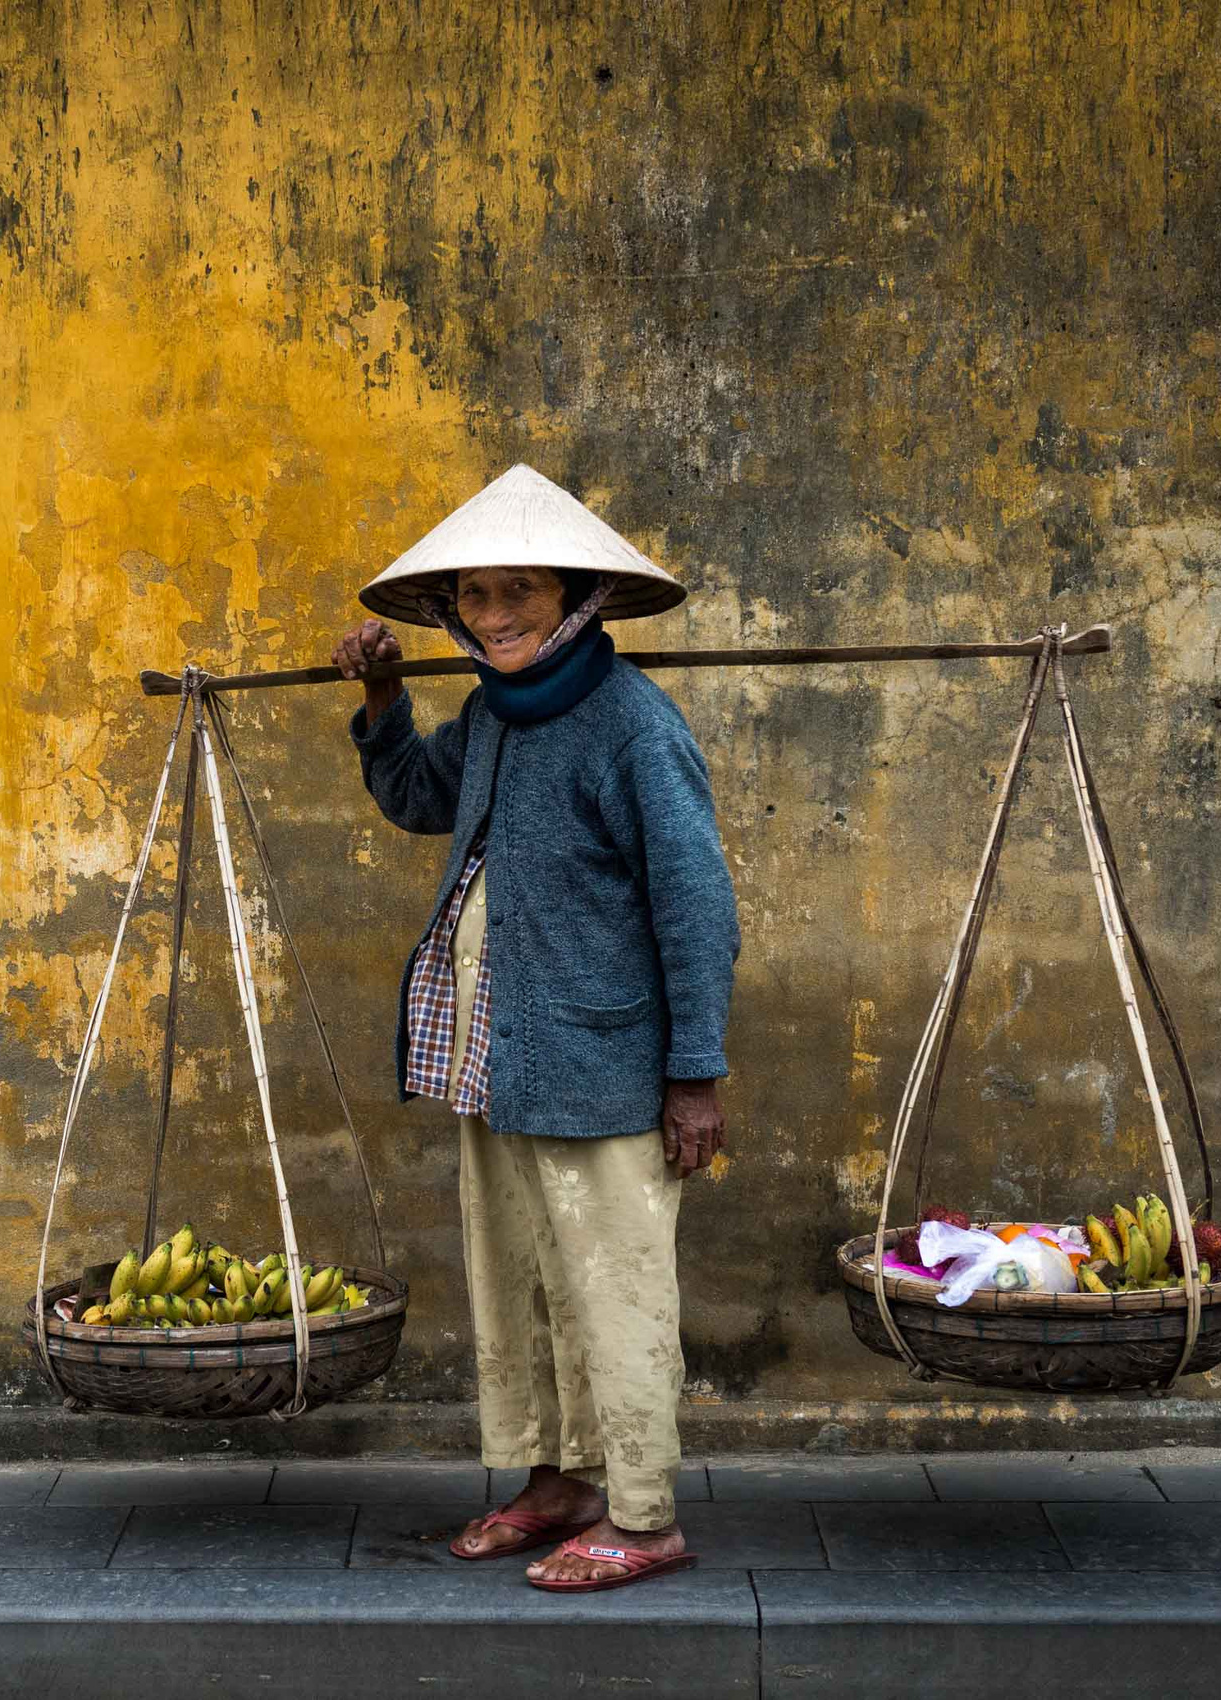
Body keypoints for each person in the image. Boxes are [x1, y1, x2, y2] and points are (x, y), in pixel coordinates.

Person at [331, 464, 739, 1592]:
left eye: (519, 589)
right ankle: (560, 1483)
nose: (495, 612)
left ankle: (646, 1513)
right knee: (531, 1282)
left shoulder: (631, 727)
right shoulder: (492, 718)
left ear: (575, 599)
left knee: (614, 1288)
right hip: (499, 1065)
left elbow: (696, 906)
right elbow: (419, 797)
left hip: (601, 1065)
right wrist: (379, 703)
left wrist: (692, 1074)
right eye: (472, 594)